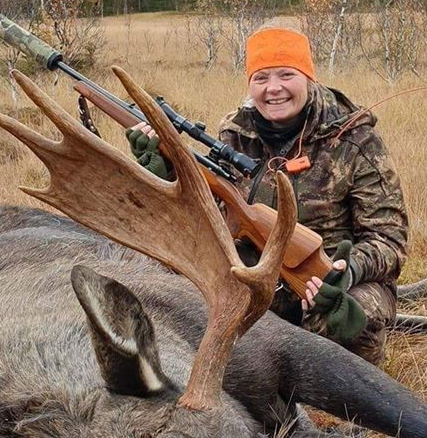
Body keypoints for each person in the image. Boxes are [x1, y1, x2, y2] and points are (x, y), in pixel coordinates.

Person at [126, 26, 407, 366]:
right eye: (261, 78)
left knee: (348, 323)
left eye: (286, 75)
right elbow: (211, 216)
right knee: (180, 303)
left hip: (333, 279)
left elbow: (389, 238)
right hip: (257, 276)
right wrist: (168, 173)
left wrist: (346, 271)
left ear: (308, 77)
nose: (273, 89)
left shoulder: (356, 140)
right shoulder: (233, 134)